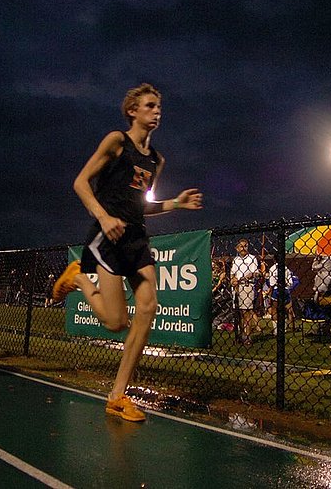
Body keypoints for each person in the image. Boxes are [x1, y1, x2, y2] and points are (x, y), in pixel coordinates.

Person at [52, 84, 203, 422]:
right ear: (133, 110)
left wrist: (176, 203)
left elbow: (142, 206)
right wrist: (103, 217)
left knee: (148, 305)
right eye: (150, 106)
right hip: (107, 236)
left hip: (135, 237)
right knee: (115, 322)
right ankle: (78, 279)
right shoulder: (116, 141)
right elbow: (80, 183)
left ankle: (118, 395)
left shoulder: (156, 159)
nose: (157, 111)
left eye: (159, 106)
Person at [230, 239, 259, 345]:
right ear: (237, 248)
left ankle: (247, 337)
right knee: (239, 312)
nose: (243, 248)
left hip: (247, 286)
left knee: (246, 312)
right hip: (237, 287)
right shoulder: (236, 260)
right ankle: (241, 334)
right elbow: (233, 273)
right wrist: (233, 280)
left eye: (245, 246)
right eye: (241, 246)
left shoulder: (252, 258)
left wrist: (248, 276)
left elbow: (256, 272)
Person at [262, 259, 298, 334]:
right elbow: (290, 282)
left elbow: (271, 284)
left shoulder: (272, 269)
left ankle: (276, 331)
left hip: (276, 290)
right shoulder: (286, 268)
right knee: (288, 309)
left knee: (275, 310)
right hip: (285, 290)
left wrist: (270, 293)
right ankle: (287, 328)